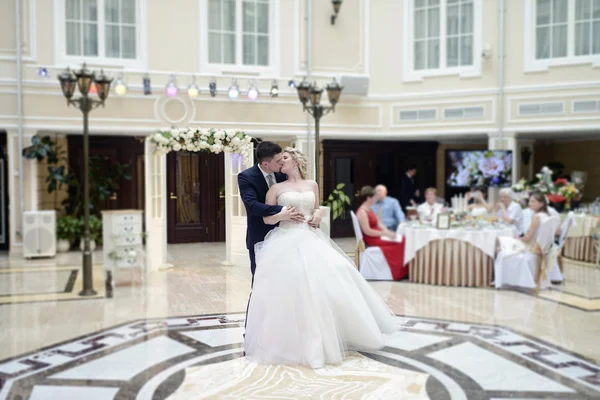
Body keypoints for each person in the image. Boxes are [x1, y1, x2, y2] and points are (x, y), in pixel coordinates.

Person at [244, 148, 397, 369]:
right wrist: (283, 215)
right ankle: (292, 343)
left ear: (296, 161)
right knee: (293, 286)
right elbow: (268, 219)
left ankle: (334, 334)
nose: (280, 162)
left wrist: (317, 214)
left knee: (332, 276)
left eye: (284, 158)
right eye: (279, 159)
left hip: (310, 237)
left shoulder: (312, 185)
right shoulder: (275, 188)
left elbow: (316, 209)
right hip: (285, 238)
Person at [356, 186, 408, 280]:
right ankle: (398, 271)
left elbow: (379, 223)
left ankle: (403, 270)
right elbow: (368, 231)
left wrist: (388, 232)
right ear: (369, 198)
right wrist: (385, 234)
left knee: (403, 239)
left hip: (379, 235)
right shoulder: (362, 212)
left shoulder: (369, 209)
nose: (376, 199)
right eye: (374, 197)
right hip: (373, 238)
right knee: (400, 242)